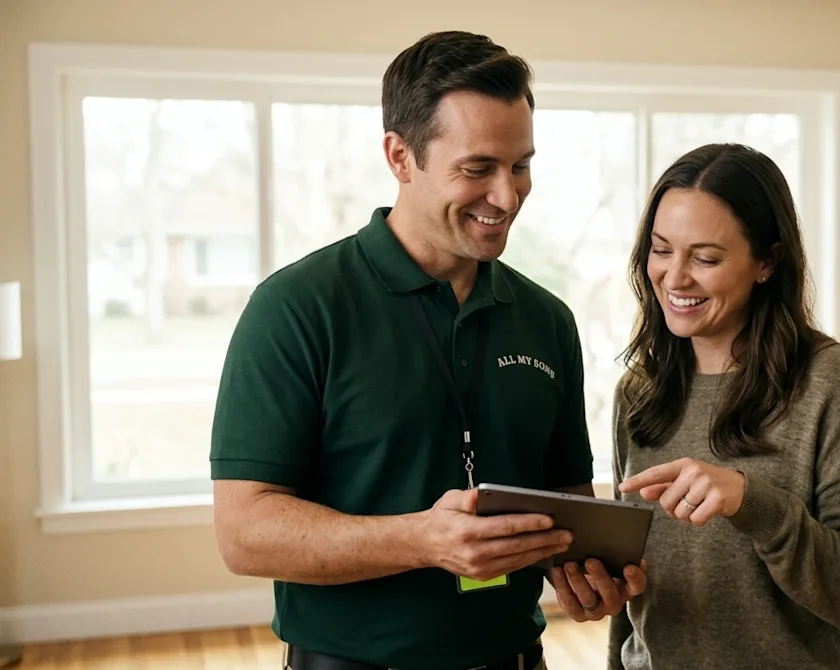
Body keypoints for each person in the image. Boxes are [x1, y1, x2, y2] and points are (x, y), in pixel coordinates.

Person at [209, 30, 645, 670]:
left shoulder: (547, 320)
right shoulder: (296, 308)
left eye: (520, 165)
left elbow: (565, 507)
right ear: (400, 155)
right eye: (477, 169)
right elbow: (244, 534)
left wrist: (580, 577)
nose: (506, 196)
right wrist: (422, 540)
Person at [607, 143, 840, 669]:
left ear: (768, 261)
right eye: (661, 249)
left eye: (706, 258)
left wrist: (754, 504)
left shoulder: (830, 383)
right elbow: (632, 600)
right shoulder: (640, 390)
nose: (674, 277)